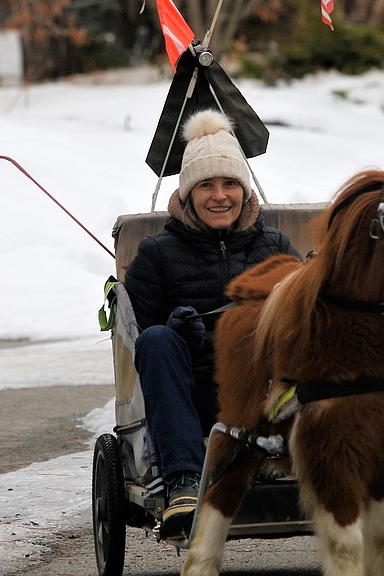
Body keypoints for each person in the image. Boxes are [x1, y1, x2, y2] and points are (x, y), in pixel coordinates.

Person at [124, 109, 299, 539]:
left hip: (264, 398)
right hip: (193, 399)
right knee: (159, 339)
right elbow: (142, 340)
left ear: (243, 189)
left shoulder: (274, 245)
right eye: (206, 184)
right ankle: (183, 480)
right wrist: (176, 330)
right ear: (187, 193)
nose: (219, 196)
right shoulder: (155, 254)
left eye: (229, 184)